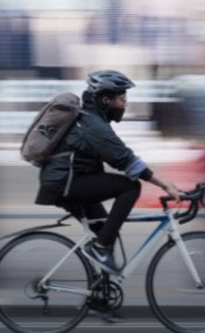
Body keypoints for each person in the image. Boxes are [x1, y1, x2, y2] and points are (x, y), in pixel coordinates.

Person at [35, 70, 184, 277]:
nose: (125, 102)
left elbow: (118, 157)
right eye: (122, 97)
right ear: (106, 99)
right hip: (64, 184)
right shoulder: (92, 125)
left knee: (106, 232)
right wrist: (165, 185)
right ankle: (100, 248)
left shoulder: (91, 120)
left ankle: (100, 301)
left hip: (68, 182)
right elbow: (125, 160)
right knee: (130, 186)